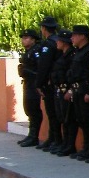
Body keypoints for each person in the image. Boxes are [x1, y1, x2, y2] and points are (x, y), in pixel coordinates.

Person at [65, 24, 89, 160]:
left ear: (83, 36)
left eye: (74, 35)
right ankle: (85, 147)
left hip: (86, 90)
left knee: (88, 120)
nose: (72, 38)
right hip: (77, 90)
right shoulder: (77, 51)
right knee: (81, 120)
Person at [35, 16, 61, 151]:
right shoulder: (58, 41)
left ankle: (56, 140)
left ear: (44, 29)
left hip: (51, 82)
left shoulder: (48, 44)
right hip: (57, 81)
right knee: (55, 113)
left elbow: (44, 65)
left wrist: (39, 83)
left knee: (52, 113)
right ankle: (53, 138)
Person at [49, 29, 76, 157]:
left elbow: (72, 75)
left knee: (69, 119)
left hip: (67, 90)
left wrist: (70, 90)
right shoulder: (62, 55)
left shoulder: (71, 55)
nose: (57, 43)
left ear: (65, 42)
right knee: (62, 118)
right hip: (59, 89)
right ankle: (65, 143)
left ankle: (70, 145)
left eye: (59, 41)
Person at [17, 28, 43, 147]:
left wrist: (29, 72)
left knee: (33, 109)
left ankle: (34, 136)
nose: (24, 40)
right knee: (28, 108)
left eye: (27, 38)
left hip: (34, 84)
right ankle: (31, 134)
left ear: (33, 40)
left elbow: (41, 70)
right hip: (27, 83)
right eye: (23, 38)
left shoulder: (36, 51)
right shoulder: (27, 52)